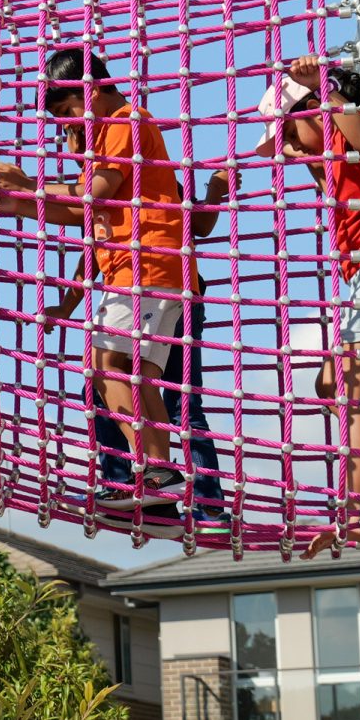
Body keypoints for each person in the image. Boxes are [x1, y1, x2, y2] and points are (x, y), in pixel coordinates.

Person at [0, 46, 192, 519]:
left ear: (95, 89)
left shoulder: (125, 122)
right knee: (136, 375)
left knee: (105, 365)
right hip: (145, 270)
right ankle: (161, 498)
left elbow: (90, 196)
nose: (66, 126)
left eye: (68, 112)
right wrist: (23, 203)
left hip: (147, 266)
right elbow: (88, 222)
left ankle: (157, 469)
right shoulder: (103, 141)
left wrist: (27, 186)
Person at [48, 146, 231, 523]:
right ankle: (133, 487)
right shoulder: (98, 191)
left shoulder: (149, 183)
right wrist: (66, 306)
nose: (71, 147)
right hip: (151, 294)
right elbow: (91, 252)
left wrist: (215, 192)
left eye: (74, 135)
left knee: (180, 403)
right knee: (111, 387)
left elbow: (196, 224)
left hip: (175, 296)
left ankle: (206, 506)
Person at [254, 58, 360, 558]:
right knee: (333, 384)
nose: (286, 149)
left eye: (289, 132)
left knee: (351, 387)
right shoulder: (324, 163)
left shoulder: (350, 125)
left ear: (314, 114)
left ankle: (359, 514)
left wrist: (323, 91)